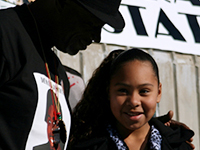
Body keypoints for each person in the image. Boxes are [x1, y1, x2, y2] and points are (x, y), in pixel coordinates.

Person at [0, 0, 125, 149]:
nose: (96, 37)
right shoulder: (5, 33)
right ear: (60, 3)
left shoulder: (56, 69)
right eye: (92, 23)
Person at [68, 48, 194, 150]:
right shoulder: (88, 145)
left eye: (144, 91)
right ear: (108, 92)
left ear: (159, 92)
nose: (134, 101)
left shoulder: (178, 145)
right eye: (123, 91)